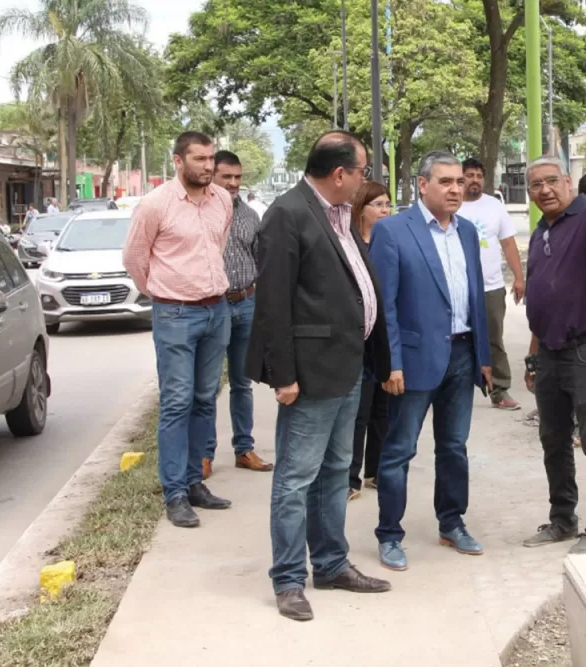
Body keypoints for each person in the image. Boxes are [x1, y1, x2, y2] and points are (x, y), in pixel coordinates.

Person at [245, 131, 392, 622]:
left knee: (334, 473)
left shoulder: (338, 216)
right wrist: (284, 375)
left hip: (348, 367)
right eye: (363, 171)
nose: (365, 180)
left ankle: (330, 563)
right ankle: (289, 579)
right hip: (308, 376)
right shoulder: (288, 214)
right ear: (339, 174)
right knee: (294, 479)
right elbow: (273, 301)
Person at [368, 151, 492, 572]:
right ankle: (389, 533)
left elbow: (476, 298)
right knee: (399, 450)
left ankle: (452, 522)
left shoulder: (468, 232)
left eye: (459, 181)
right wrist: (391, 364)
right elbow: (385, 306)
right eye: (445, 181)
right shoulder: (392, 231)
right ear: (423, 185)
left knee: (454, 447)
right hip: (414, 360)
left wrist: (484, 356)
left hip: (461, 354)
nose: (456, 189)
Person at [123, 131, 234, 529]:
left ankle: (195, 481)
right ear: (177, 161)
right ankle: (175, 494)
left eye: (211, 159)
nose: (208, 166)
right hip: (175, 314)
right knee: (176, 402)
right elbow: (135, 258)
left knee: (206, 398)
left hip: (215, 310)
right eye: (199, 159)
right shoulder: (155, 205)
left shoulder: (223, 200)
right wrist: (163, 293)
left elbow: (216, 246)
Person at [520, 155, 586, 555]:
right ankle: (563, 520)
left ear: (568, 182)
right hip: (548, 351)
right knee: (554, 441)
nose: (544, 190)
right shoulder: (540, 231)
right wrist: (533, 356)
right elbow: (539, 298)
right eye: (536, 185)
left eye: (551, 181)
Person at [202, 150, 273, 479]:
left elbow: (262, 261)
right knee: (209, 384)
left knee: (242, 383)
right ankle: (204, 454)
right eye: (225, 176)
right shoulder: (200, 213)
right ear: (211, 175)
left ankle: (244, 448)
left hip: (246, 303)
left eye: (237, 177)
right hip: (213, 306)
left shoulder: (250, 216)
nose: (232, 183)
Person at [459, 157, 524, 411]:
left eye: (478, 175)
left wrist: (519, 277)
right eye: (469, 175)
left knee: (494, 338)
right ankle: (441, 388)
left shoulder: (494, 206)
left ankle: (500, 389)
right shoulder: (450, 204)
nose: (474, 180)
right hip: (456, 287)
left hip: (490, 286)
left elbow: (508, 243)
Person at [348, 180, 393, 499]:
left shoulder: (391, 242)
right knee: (359, 412)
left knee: (383, 408)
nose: (385, 210)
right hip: (358, 340)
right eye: (377, 204)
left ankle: (375, 471)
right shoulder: (349, 244)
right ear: (360, 209)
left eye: (388, 204)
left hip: (387, 337)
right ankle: (350, 476)